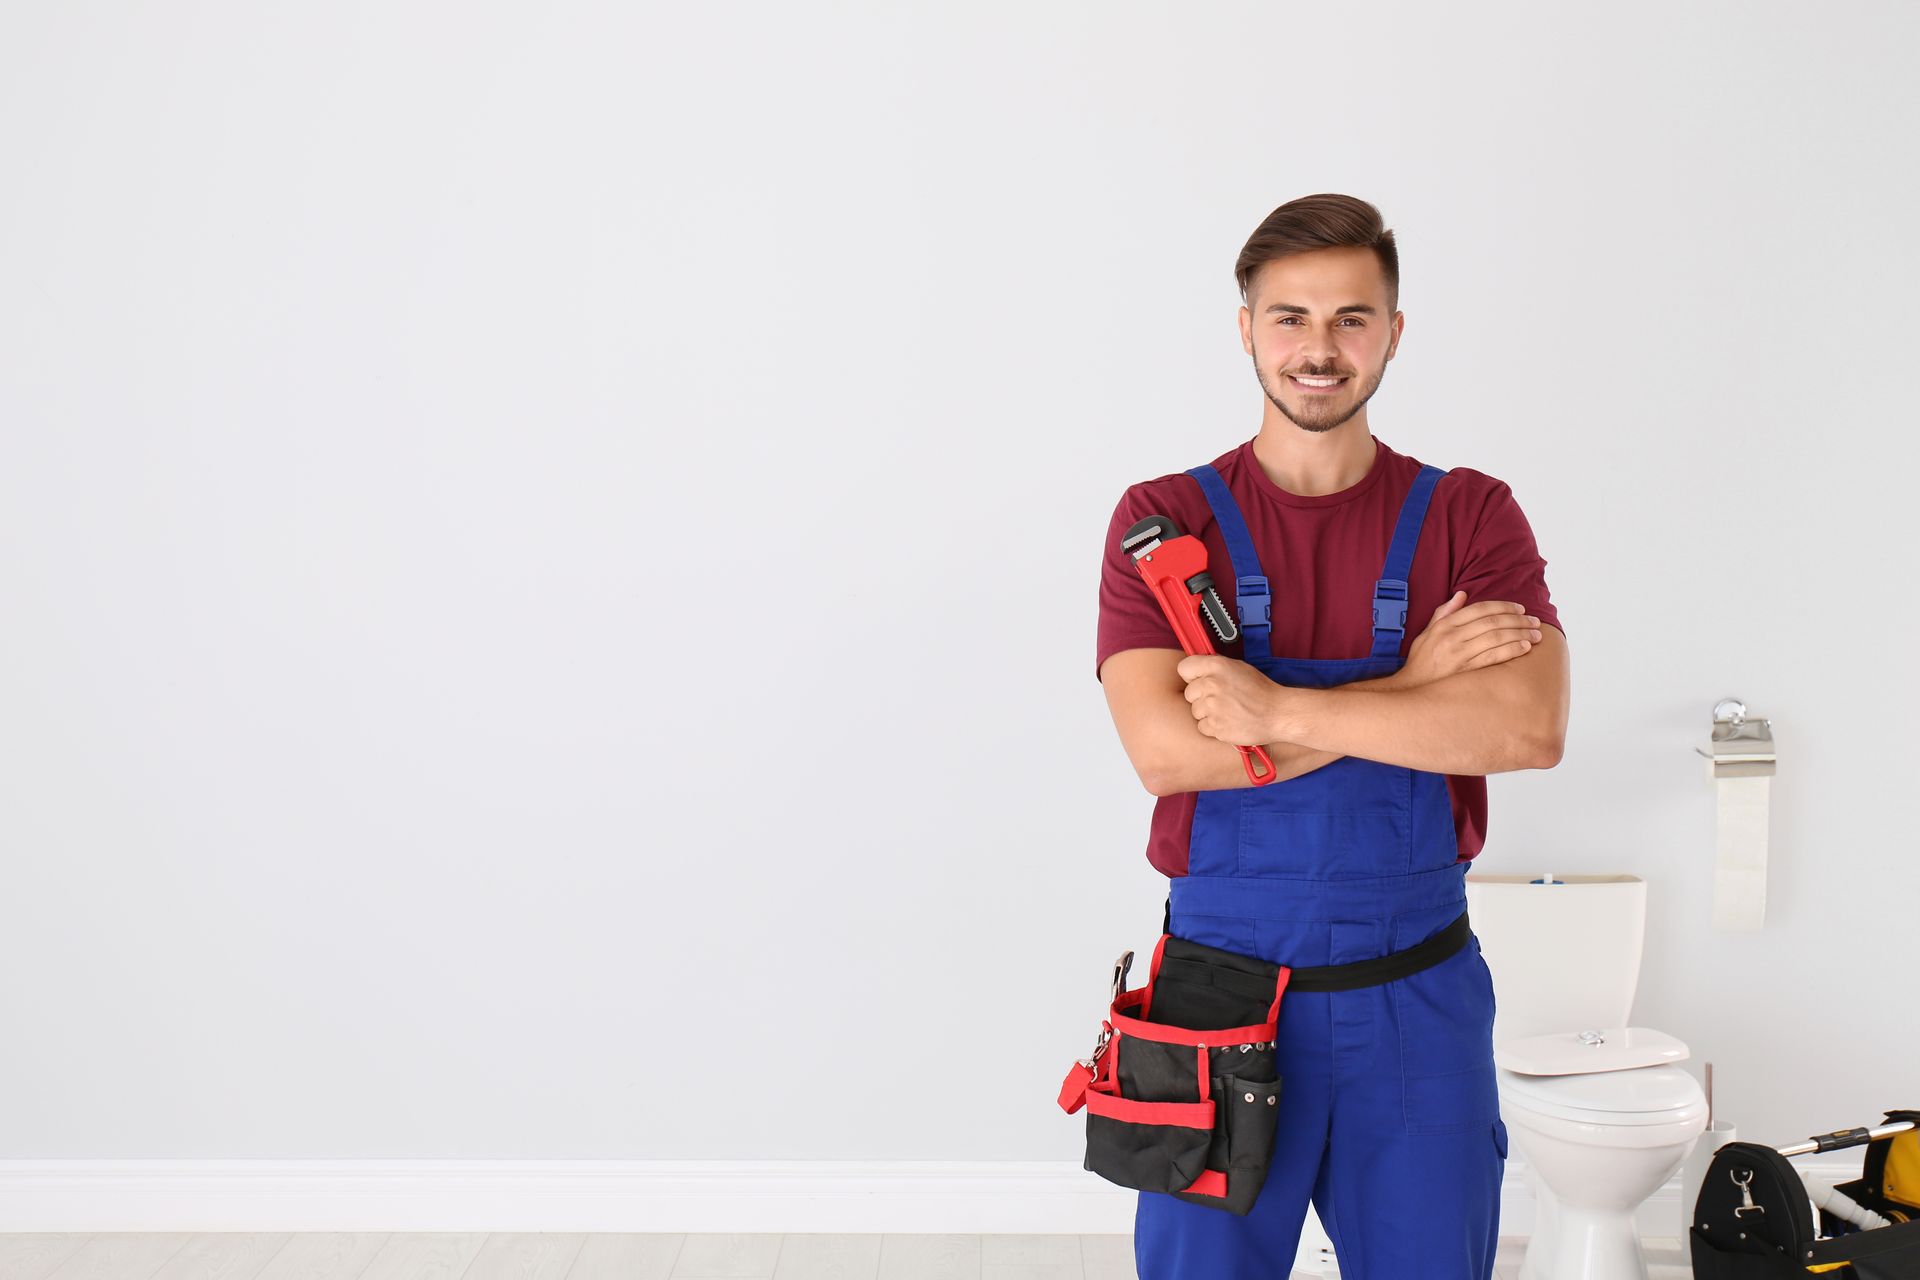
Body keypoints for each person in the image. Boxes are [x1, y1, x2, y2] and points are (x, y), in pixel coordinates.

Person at [1094, 194, 1569, 1280]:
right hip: (1214, 1000)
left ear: (1394, 331)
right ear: (1247, 328)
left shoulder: (1471, 516)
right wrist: (1413, 686)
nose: (1320, 348)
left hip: (1416, 1002)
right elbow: (1169, 754)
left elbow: (1528, 726)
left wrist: (1275, 712)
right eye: (1291, 317)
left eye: (1352, 318)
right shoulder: (1163, 520)